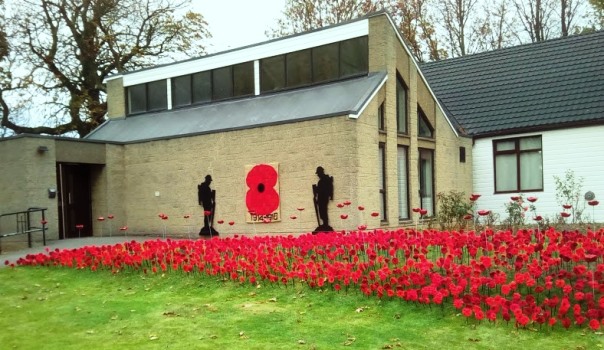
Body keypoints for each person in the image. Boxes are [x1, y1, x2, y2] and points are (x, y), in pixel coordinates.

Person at [313, 166, 333, 233]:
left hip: (323, 199)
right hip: (321, 199)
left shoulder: (324, 180)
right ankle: (325, 224)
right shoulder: (323, 180)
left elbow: (323, 190)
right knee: (322, 212)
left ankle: (325, 224)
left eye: (318, 173)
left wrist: (316, 190)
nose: (318, 175)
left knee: (323, 211)